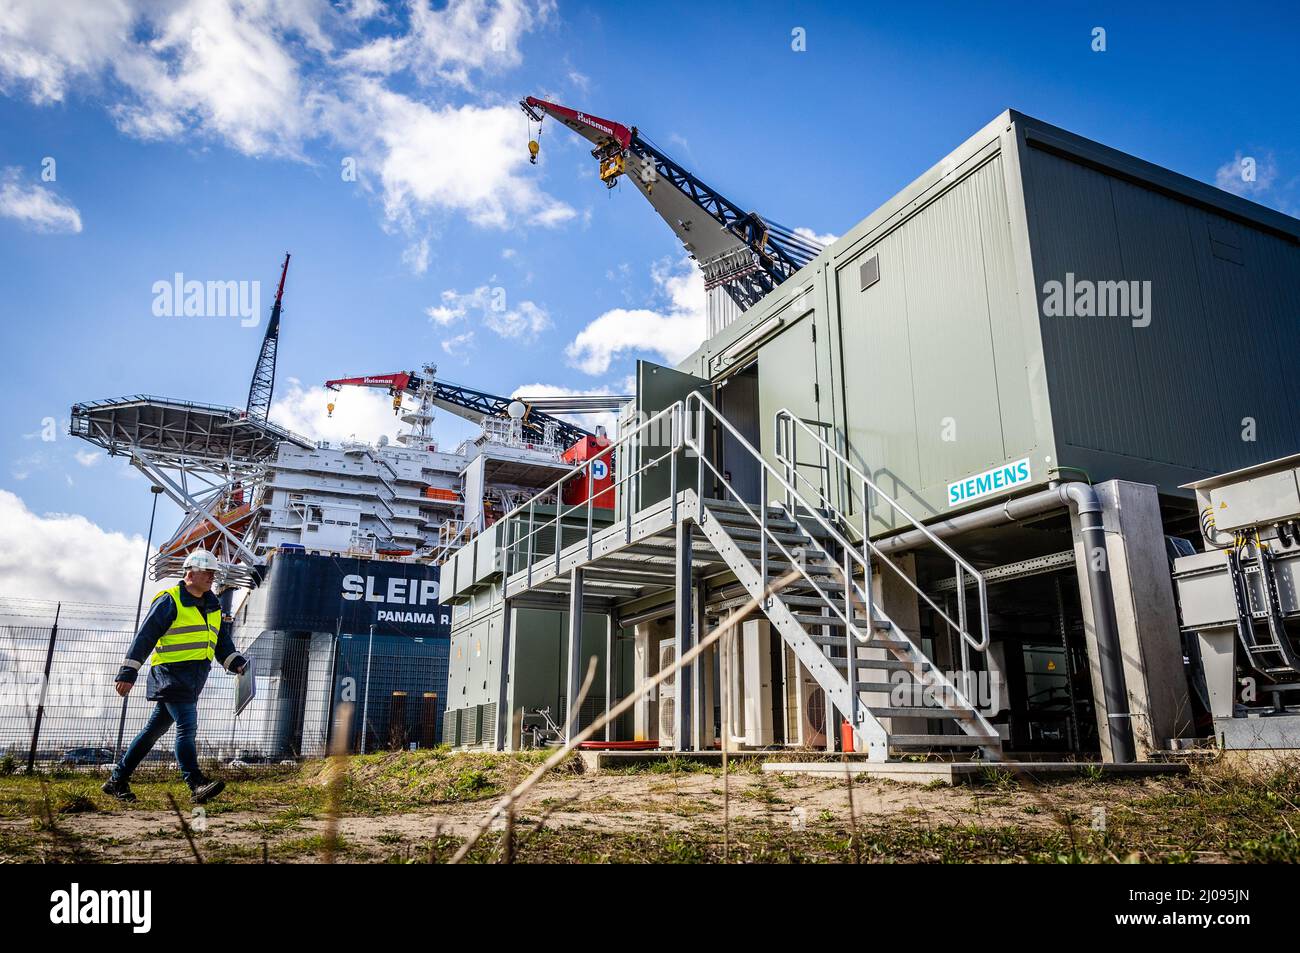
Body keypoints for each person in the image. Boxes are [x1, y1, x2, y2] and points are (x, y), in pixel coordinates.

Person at [101, 549, 247, 804]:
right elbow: (145, 637)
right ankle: (195, 783)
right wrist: (128, 671)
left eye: (213, 573)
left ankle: (117, 780)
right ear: (190, 574)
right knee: (187, 725)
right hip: (170, 675)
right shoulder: (170, 600)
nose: (211, 577)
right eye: (206, 572)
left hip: (193, 679)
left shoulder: (213, 605)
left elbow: (221, 642)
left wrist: (235, 662)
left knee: (151, 732)